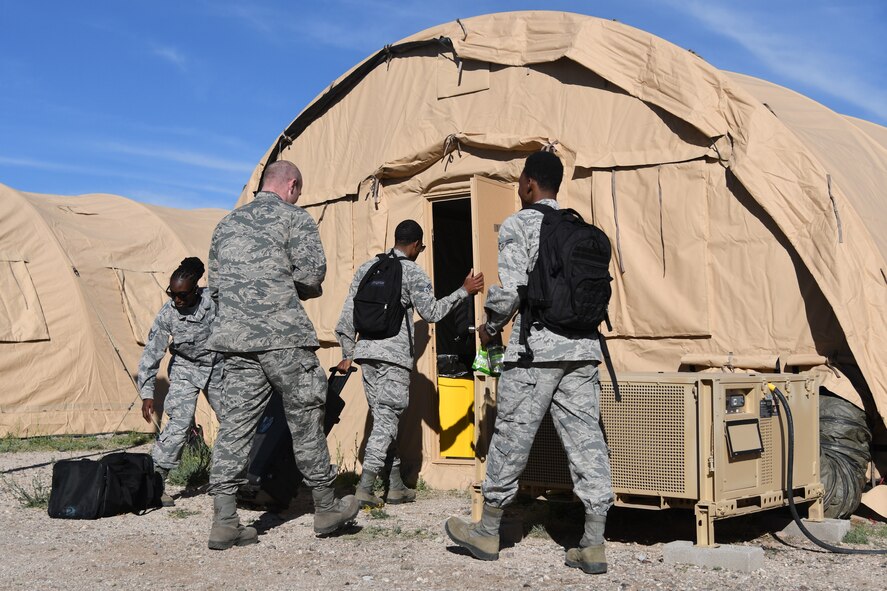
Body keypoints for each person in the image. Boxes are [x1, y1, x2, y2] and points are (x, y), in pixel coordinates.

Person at [444, 151, 614, 574]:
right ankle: (593, 542)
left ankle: (487, 531)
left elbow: (511, 291)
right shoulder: (579, 227)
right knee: (587, 441)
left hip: (536, 351)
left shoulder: (520, 225)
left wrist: (488, 327)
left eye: (521, 181)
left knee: (510, 437)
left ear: (529, 185)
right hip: (582, 350)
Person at [205, 160, 358, 551]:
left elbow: (217, 288)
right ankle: (325, 508)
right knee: (306, 418)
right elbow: (310, 277)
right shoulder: (296, 219)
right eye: (299, 191)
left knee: (236, 427)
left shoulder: (226, 225)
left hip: (235, 342)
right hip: (284, 338)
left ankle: (224, 521)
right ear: (291, 185)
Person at [335, 220, 483, 508]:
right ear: (415, 245)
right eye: (421, 247)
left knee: (382, 419)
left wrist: (347, 352)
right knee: (387, 421)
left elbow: (345, 317)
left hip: (366, 354)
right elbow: (432, 313)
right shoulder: (413, 272)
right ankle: (365, 488)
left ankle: (395, 486)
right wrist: (463, 291)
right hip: (394, 357)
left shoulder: (367, 268)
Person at [137, 256, 223, 507]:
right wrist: (147, 392)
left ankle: (228, 479)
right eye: (172, 293)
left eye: (183, 295)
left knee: (233, 422)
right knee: (178, 423)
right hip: (186, 368)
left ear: (196, 289)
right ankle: (156, 482)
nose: (177, 300)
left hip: (218, 366)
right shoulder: (168, 314)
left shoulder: (215, 302)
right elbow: (152, 352)